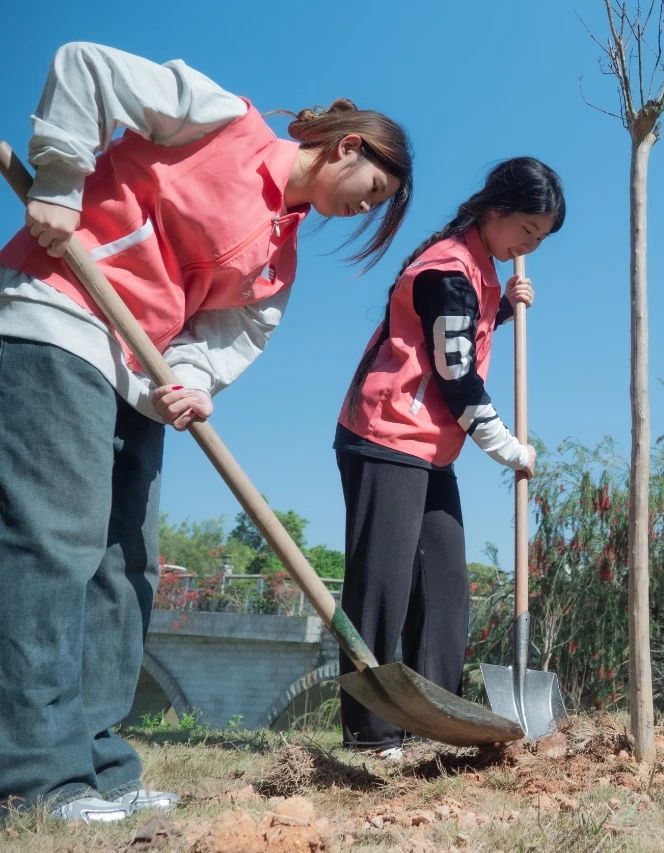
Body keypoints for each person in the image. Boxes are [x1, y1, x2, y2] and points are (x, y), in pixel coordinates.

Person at [0, 42, 413, 823]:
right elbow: (85, 67)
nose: (366, 210)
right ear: (347, 147)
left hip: (136, 373)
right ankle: (36, 777)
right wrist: (58, 178)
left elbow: (229, 337)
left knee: (127, 566)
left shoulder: (279, 260)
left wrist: (191, 381)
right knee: (54, 545)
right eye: (373, 191)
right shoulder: (222, 120)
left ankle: (98, 761)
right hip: (58, 315)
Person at [335, 157, 565, 757]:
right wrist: (508, 448)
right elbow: (455, 372)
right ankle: (371, 733)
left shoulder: (478, 270)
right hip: (385, 435)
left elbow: (462, 329)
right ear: (494, 209)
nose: (529, 246)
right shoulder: (447, 270)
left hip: (430, 447)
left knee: (445, 586)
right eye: (526, 230)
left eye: (540, 239)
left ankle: (435, 722)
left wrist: (504, 306)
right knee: (382, 586)